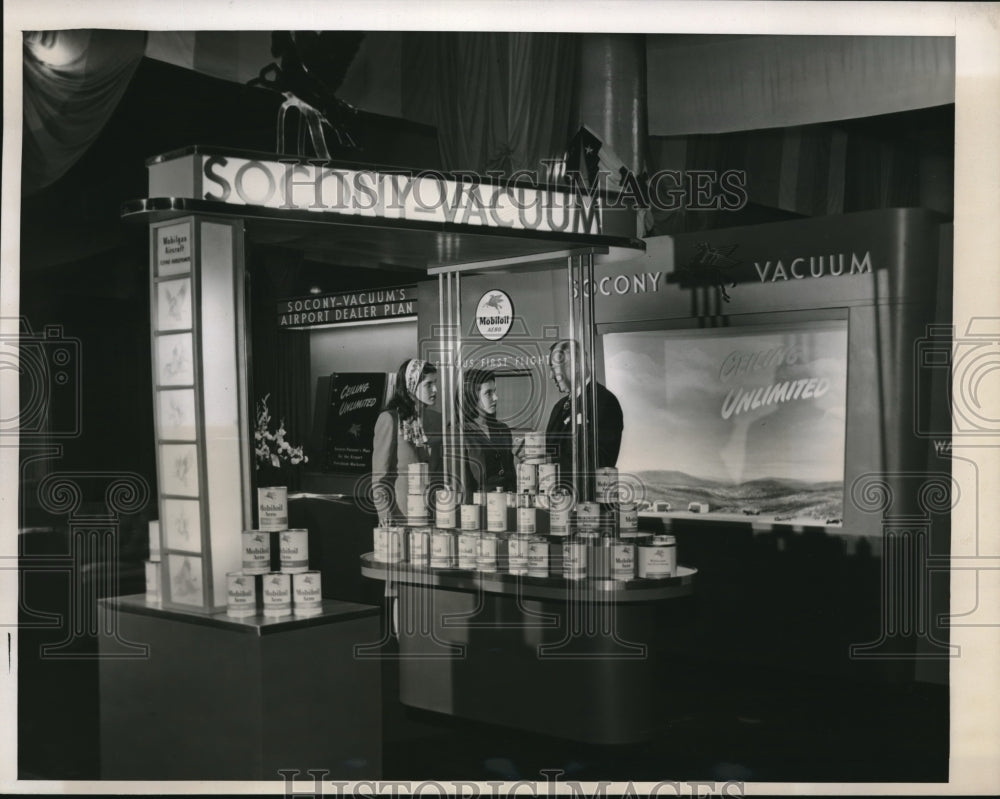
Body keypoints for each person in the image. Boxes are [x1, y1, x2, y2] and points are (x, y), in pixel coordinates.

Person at [371, 359, 441, 521]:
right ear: (411, 386)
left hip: (433, 512)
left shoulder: (437, 420)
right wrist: (385, 514)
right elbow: (379, 479)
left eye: (435, 383)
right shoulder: (390, 419)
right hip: (401, 514)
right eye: (428, 384)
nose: (435, 389)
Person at [544, 339, 623, 479]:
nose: (551, 376)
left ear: (576, 366)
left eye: (554, 368)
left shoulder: (605, 402)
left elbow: (599, 464)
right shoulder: (559, 407)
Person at [455, 368, 516, 498]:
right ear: (471, 396)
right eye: (488, 393)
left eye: (494, 391)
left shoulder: (503, 430)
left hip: (507, 506)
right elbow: (463, 487)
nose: (495, 397)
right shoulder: (458, 433)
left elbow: (512, 480)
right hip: (478, 510)